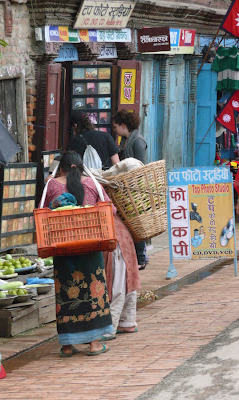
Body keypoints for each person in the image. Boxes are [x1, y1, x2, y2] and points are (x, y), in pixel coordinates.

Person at [41, 151, 114, 357]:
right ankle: (94, 344)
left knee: (66, 293)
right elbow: (111, 210)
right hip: (90, 247)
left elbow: (41, 213)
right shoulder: (92, 184)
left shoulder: (53, 185)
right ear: (80, 167)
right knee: (93, 292)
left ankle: (66, 345)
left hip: (63, 250)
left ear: (61, 168)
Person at [112, 110, 149, 270]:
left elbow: (140, 166)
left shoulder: (137, 141)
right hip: (127, 188)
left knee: (136, 222)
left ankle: (141, 258)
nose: (115, 130)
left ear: (123, 125)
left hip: (136, 188)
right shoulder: (125, 141)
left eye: (115, 127)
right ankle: (137, 256)